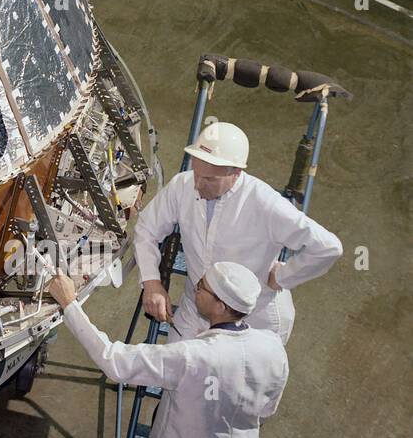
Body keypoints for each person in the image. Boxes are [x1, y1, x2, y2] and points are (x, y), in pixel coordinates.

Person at [49, 261, 288, 438]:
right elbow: (267, 409)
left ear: (221, 306)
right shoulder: (272, 346)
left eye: (202, 288)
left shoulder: (194, 356)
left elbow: (114, 361)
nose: (195, 288)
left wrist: (69, 304)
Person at [135, 119, 342, 344]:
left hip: (253, 322)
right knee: (175, 371)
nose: (198, 184)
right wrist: (152, 282)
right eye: (196, 172)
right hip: (196, 311)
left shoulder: (265, 204)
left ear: (236, 172)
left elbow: (328, 247)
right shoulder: (182, 186)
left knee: (234, 376)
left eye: (210, 179)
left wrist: (284, 276)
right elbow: (146, 229)